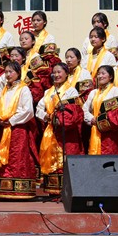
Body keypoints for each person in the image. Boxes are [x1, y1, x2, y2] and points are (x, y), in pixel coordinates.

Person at [36, 63, 83, 196]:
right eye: (54, 72)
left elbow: (72, 112)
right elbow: (39, 109)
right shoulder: (48, 92)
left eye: (59, 72)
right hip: (51, 130)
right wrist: (46, 116)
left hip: (66, 133)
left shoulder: (71, 91)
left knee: (66, 159)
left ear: (66, 74)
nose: (56, 75)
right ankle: (53, 190)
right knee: (52, 158)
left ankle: (67, 191)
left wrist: (55, 117)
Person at [0, 61, 37, 200]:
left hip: (18, 129)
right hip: (5, 129)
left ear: (18, 73)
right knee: (4, 156)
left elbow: (28, 110)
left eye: (11, 72)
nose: (8, 74)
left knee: (18, 157)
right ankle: (5, 190)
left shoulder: (23, 89)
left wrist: (11, 120)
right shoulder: (5, 90)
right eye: (6, 72)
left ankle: (20, 190)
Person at [83, 66, 118, 155]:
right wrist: (92, 119)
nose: (100, 76)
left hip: (111, 134)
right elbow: (84, 109)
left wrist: (100, 121)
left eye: (103, 73)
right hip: (95, 130)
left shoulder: (116, 91)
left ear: (110, 76)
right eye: (98, 74)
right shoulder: (93, 93)